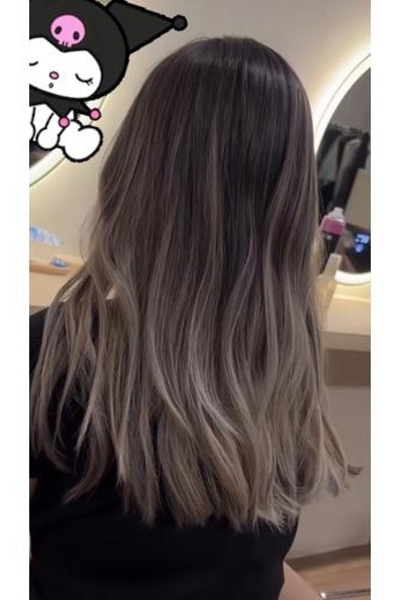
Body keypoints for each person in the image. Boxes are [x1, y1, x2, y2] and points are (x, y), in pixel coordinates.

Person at [30, 37, 353, 600]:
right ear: (290, 200)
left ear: (134, 171)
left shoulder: (55, 350)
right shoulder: (282, 367)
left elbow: (256, 571)